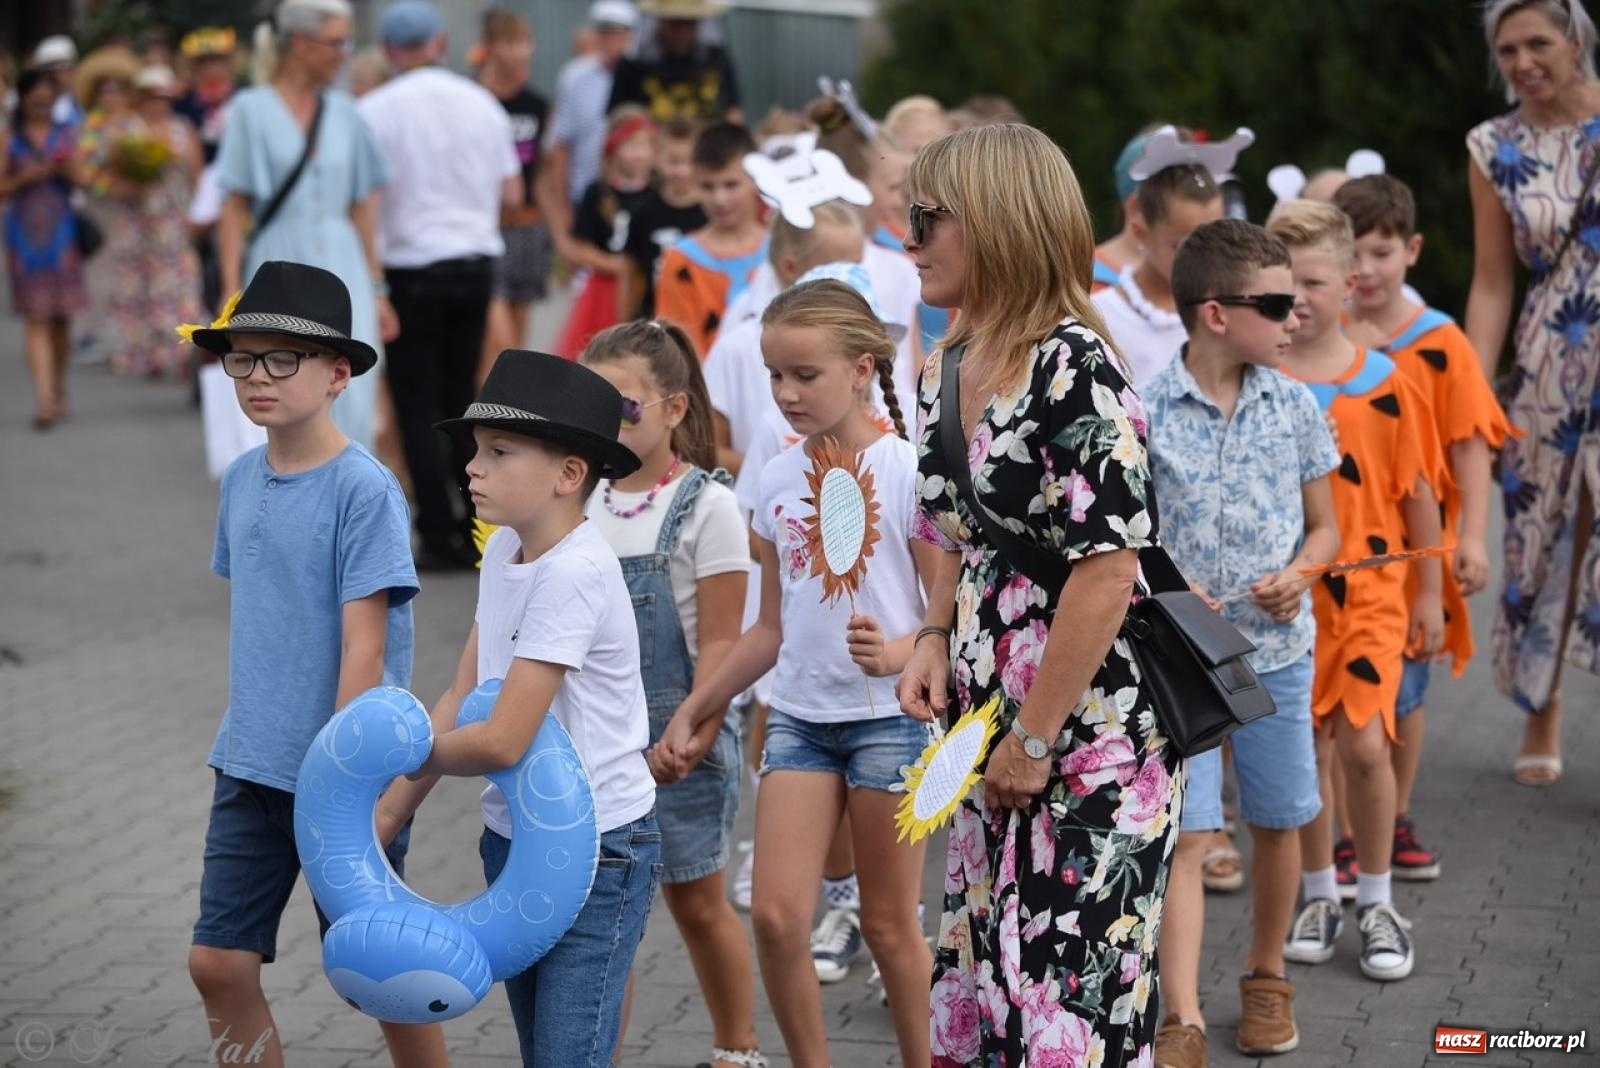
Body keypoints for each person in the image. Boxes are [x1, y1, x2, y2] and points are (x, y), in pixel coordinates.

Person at [896, 123, 1179, 1068]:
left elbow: (1109, 569)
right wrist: (933, 632)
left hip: (1087, 736)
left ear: (997, 222)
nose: (909, 240)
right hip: (990, 728)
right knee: (994, 988)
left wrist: (1035, 737)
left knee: (1070, 1012)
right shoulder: (951, 358)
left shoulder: (1075, 365)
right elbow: (950, 527)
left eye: (927, 218)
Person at [658, 279, 935, 1068]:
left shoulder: (910, 472)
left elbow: (951, 619)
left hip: (889, 725)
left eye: (804, 375)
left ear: (862, 368)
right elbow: (770, 629)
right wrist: (699, 706)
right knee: (778, 917)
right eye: (775, 375)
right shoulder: (776, 478)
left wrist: (901, 652)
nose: (784, 393)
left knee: (888, 926)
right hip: (799, 721)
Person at [182, 260, 442, 1068]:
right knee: (217, 962)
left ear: (337, 374)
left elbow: (366, 645)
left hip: (342, 775)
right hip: (249, 763)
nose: (258, 376)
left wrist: (343, 781)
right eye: (243, 359)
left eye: (282, 358)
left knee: (383, 975)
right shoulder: (240, 479)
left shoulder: (365, 490)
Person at [377, 349, 660, 1068]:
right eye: (475, 450)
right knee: (544, 1052)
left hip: (598, 847)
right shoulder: (506, 547)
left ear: (568, 475)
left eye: (498, 453)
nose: (472, 468)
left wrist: (400, 751)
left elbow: (503, 739)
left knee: (568, 1055)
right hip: (512, 837)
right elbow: (461, 692)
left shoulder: (574, 572)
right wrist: (389, 812)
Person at [1145, 219, 1340, 1066]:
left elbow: (1327, 529)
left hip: (1279, 656)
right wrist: (1168, 592)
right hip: (1181, 666)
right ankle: (1181, 1015)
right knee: (1187, 837)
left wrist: (1301, 572)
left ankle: (1267, 975)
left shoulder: (1295, 404)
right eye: (1277, 304)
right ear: (1216, 314)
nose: (1295, 316)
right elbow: (1132, 543)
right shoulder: (1144, 410)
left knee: (1278, 820)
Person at [1267, 199, 1447, 983]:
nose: (1298, 298)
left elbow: (1418, 491)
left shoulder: (1387, 384)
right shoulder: (1261, 383)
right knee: (1305, 749)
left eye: (1314, 281)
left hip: (1371, 592)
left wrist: (1430, 594)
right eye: (1285, 283)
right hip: (1287, 597)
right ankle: (1319, 894)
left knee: (1366, 745)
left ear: (1348, 283)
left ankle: (1377, 899)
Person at [579, 320, 766, 1068]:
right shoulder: (578, 497)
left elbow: (721, 642)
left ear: (675, 408)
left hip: (678, 738)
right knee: (599, 920)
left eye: (624, 406)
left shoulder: (706, 506)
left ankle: (738, 1047)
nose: (607, 422)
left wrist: (695, 730)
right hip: (594, 743)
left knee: (696, 902)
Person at [1333, 173, 1518, 873]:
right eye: (1352, 253)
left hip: (1415, 550)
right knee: (1338, 697)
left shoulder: (1441, 341)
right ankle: (1344, 834)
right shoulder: (1319, 336)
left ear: (1411, 251)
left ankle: (1395, 818)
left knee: (1406, 687)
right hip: (1337, 544)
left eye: (1381, 252)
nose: (1365, 269)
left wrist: (1470, 538)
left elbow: (1471, 441)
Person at [1465, 0, 1600, 786]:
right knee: (1544, 537)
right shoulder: (1493, 145)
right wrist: (1473, 392)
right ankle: (1540, 707)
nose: (1521, 62)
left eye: (1537, 42)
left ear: (1576, 40)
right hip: (1550, 361)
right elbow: (1491, 281)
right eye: (1507, 49)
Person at [357, 0, 521, 570]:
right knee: (462, 397)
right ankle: (480, 524)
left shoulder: (375, 109)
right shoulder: (482, 103)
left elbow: (365, 201)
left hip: (410, 266)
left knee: (415, 402)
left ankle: (437, 529)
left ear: (388, 51)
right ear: (440, 44)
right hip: (473, 261)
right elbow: (512, 194)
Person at [215, 0, 393, 450]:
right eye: (336, 42)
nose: (343, 53)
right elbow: (233, 207)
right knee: (281, 376)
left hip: (344, 261)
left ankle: (351, 488)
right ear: (300, 43)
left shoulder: (346, 111)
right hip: (277, 258)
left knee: (351, 384)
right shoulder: (250, 109)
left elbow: (363, 206)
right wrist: (230, 288)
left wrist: (377, 287)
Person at [79, 63, 204, 378]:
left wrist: (195, 213)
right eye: (151, 96)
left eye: (163, 96)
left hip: (172, 220)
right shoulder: (126, 130)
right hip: (135, 220)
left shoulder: (181, 128)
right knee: (138, 286)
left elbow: (196, 175)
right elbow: (103, 175)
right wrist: (129, 187)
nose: (158, 103)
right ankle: (148, 354)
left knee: (177, 286)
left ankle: (180, 353)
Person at [2, 68, 87, 429]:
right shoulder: (9, 138)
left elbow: (85, 179)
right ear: (22, 101)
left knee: (61, 317)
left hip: (63, 234)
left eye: (47, 102)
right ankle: (45, 398)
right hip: (24, 237)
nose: (41, 108)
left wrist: (66, 169)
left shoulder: (67, 135)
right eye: (35, 101)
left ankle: (58, 387)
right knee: (36, 317)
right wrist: (25, 177)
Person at [1091, 157, 1224, 387]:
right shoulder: (1101, 316)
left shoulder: (1227, 312)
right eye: (1181, 246)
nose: (1202, 257)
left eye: (1215, 241)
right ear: (1140, 228)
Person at [655, 121, 768, 357]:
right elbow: (681, 349)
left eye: (731, 184)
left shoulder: (780, 249)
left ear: (756, 180)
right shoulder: (680, 260)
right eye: (707, 187)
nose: (719, 199)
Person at [478, 8, 552, 370]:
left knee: (517, 340)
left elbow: (545, 171)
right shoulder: (474, 99)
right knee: (496, 336)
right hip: (486, 226)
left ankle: (506, 398)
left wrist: (554, 226)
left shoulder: (536, 104)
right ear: (491, 46)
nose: (520, 51)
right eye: (511, 42)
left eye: (525, 42)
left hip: (526, 226)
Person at [538, 0, 639, 258]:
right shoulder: (575, 76)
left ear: (630, 36)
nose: (609, 40)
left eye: (616, 32)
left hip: (636, 197)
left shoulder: (643, 74)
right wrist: (563, 210)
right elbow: (561, 146)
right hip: (584, 199)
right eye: (603, 31)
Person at [556, 105, 657, 357]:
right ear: (613, 148)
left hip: (643, 285)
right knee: (596, 352)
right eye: (631, 145)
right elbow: (582, 247)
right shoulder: (598, 193)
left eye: (645, 145)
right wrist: (615, 265)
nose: (639, 154)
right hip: (604, 289)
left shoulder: (656, 196)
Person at [620, 116, 707, 318]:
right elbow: (630, 273)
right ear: (657, 158)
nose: (683, 171)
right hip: (654, 317)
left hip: (704, 315)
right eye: (674, 161)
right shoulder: (642, 212)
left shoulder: (713, 212)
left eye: (690, 161)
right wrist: (623, 321)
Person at [608, 0, 742, 123]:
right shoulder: (633, 66)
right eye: (675, 24)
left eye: (689, 24)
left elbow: (733, 114)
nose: (682, 32)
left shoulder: (716, 61)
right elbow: (616, 119)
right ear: (660, 23)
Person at [174, 27, 238, 165]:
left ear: (228, 63)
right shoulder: (183, 100)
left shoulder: (241, 97)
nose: (211, 67)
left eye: (217, 59)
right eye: (203, 61)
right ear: (193, 65)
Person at [31, 35, 83, 128]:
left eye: (63, 70)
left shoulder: (83, 98)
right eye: (51, 71)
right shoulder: (31, 103)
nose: (58, 76)